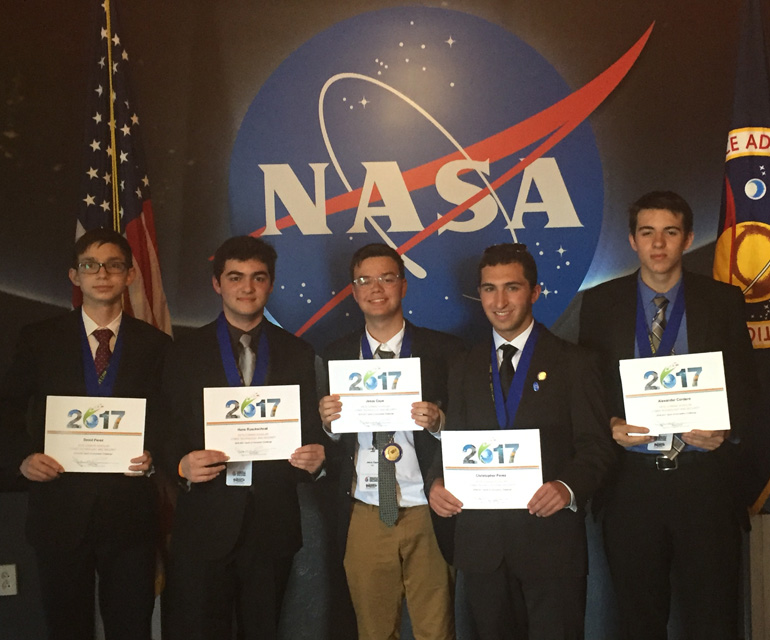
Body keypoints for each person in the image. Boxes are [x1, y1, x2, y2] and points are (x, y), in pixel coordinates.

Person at [578, 191, 758, 639]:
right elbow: (588, 392)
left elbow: (747, 388)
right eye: (647, 233)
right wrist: (610, 426)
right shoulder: (600, 303)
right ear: (632, 241)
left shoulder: (723, 301)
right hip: (631, 486)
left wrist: (727, 430)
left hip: (706, 484)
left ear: (688, 238)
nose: (658, 244)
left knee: (714, 618)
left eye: (670, 232)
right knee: (638, 621)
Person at [429, 243, 616, 640]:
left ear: (534, 291)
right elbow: (452, 439)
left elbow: (597, 447)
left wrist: (567, 488)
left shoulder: (574, 363)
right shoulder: (463, 365)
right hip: (483, 550)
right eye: (488, 289)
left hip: (550, 547)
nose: (499, 301)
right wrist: (437, 483)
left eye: (511, 288)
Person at [0, 228, 171, 640]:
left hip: (129, 513)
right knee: (66, 628)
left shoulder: (157, 345)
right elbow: (7, 407)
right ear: (75, 276)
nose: (102, 274)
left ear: (130, 275)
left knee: (131, 627)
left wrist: (154, 455)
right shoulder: (39, 339)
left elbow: (170, 417)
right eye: (90, 265)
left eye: (114, 265)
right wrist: (22, 459)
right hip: (59, 510)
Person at [161, 235, 325, 640]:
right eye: (235, 277)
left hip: (271, 524)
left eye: (258, 277)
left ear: (270, 283)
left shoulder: (299, 353)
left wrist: (317, 460)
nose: (247, 287)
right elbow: (163, 426)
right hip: (204, 522)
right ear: (217, 284)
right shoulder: (182, 352)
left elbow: (313, 428)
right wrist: (179, 464)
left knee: (264, 630)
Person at [318, 243, 461, 640]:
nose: (376, 288)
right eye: (365, 280)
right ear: (353, 289)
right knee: (374, 631)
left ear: (404, 285)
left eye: (387, 278)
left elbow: (470, 425)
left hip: (427, 507)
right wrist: (328, 426)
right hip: (366, 508)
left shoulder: (444, 351)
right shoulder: (334, 356)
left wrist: (439, 421)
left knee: (436, 630)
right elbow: (325, 447)